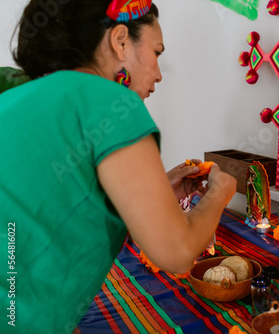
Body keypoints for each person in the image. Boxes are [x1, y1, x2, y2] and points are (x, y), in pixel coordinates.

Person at [0, 1, 236, 333]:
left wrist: (156, 191)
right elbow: (178, 252)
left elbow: (49, 203)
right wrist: (220, 194)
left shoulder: (14, 99)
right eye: (156, 52)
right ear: (121, 41)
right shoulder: (111, 100)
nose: (157, 73)